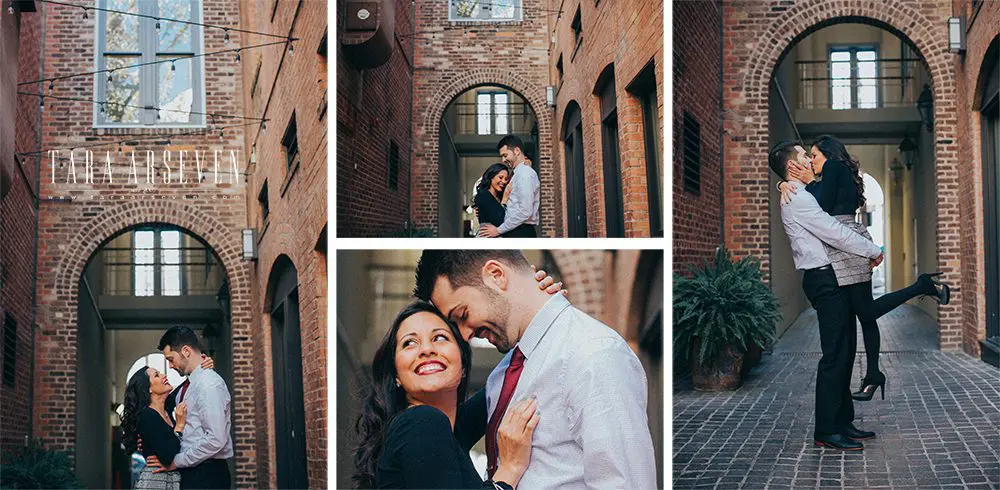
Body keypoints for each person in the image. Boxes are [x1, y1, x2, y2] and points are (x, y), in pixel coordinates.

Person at [413, 250, 657, 488]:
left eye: (463, 314)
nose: (465, 334)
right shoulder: (504, 373)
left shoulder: (593, 354)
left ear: (497, 275)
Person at [777, 135, 951, 400]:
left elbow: (821, 209)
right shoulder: (838, 173)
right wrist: (783, 183)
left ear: (828, 154)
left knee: (866, 310)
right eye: (808, 156)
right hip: (846, 242)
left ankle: (922, 286)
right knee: (866, 314)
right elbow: (817, 204)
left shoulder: (834, 169)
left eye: (814, 155)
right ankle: (873, 374)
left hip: (847, 243)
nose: (810, 162)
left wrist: (807, 183)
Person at [770, 141, 886, 451]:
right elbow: (834, 231)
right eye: (804, 156)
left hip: (832, 277)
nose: (809, 159)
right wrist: (873, 250)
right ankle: (825, 430)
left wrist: (782, 182)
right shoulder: (797, 198)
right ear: (793, 165)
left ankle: (843, 421)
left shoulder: (799, 192)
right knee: (834, 355)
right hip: (823, 279)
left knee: (846, 350)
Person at [353, 302, 539, 489]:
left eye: (439, 338)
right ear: (396, 376)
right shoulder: (420, 422)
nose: (426, 350)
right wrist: (510, 469)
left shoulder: (447, 431)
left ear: (463, 366)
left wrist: (539, 306)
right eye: (409, 343)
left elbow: (510, 376)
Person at [147, 326, 234, 489]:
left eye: (171, 359)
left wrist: (176, 462)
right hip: (193, 471)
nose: (170, 366)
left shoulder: (209, 385)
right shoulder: (188, 386)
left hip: (206, 475)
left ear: (186, 351)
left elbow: (216, 439)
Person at [121, 367, 187, 489]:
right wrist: (179, 426)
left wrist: (200, 368)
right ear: (148, 388)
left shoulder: (165, 409)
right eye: (157, 375)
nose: (163, 375)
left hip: (169, 481)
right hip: (155, 482)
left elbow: (184, 388)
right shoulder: (146, 416)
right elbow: (168, 456)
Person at [479, 136, 539, 238]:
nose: (503, 160)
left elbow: (525, 211)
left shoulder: (525, 174)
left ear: (516, 151)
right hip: (515, 230)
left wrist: (498, 230)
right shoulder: (519, 174)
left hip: (520, 232)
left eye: (505, 155)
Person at [474, 163, 512, 231]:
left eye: (506, 179)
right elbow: (500, 221)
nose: (504, 181)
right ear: (491, 177)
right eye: (500, 177)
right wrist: (504, 201)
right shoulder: (483, 196)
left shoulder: (500, 196)